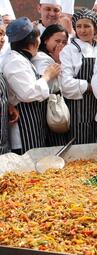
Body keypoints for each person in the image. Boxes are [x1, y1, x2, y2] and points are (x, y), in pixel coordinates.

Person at [2, 17, 60, 154]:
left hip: (33, 123)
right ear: (32, 41)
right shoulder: (15, 61)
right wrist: (47, 76)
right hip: (24, 128)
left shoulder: (21, 59)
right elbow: (28, 93)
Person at [60, 8, 97, 145]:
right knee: (80, 147)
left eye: (87, 26)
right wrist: (90, 87)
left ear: (95, 28)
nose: (82, 30)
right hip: (78, 108)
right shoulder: (69, 50)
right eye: (79, 26)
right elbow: (65, 84)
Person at [32, 24, 68, 146]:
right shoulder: (42, 58)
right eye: (57, 41)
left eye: (64, 42)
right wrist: (57, 61)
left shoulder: (52, 57)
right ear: (46, 40)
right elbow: (47, 83)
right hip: (45, 108)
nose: (60, 45)